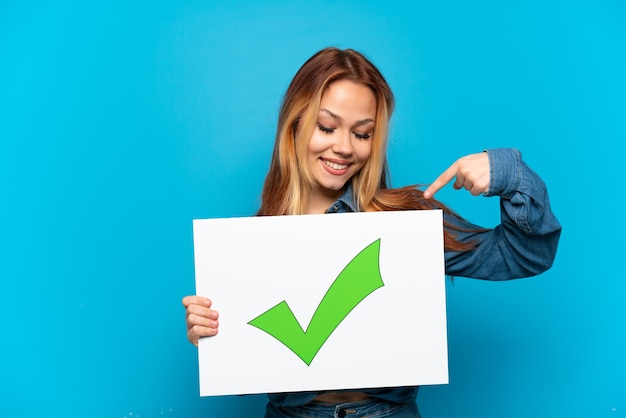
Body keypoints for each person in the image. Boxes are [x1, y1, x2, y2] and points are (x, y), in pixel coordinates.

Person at [182, 47, 561, 418]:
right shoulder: (248, 246)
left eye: (363, 134)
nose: (344, 147)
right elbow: (247, 372)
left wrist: (509, 175)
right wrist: (214, 334)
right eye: (326, 127)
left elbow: (526, 254)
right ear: (294, 125)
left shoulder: (407, 222)